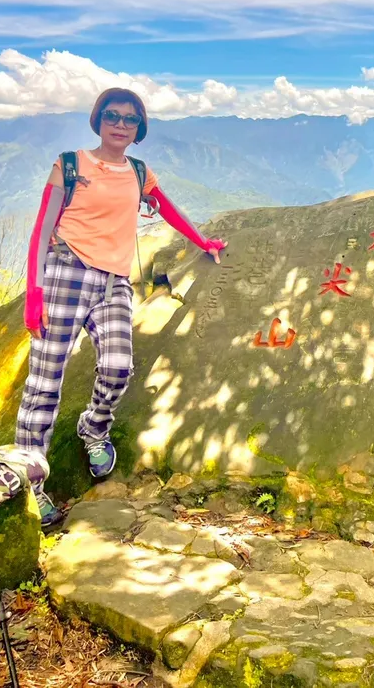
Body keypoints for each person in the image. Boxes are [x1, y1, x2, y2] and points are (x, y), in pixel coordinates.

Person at [16, 88, 227, 527]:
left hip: (114, 281)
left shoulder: (137, 171)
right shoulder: (70, 163)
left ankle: (94, 428)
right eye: (112, 115)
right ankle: (31, 485)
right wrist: (34, 292)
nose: (120, 123)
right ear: (98, 119)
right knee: (45, 380)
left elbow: (167, 208)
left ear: (139, 129)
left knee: (117, 366)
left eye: (130, 119)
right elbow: (41, 228)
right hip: (65, 272)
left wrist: (202, 241)